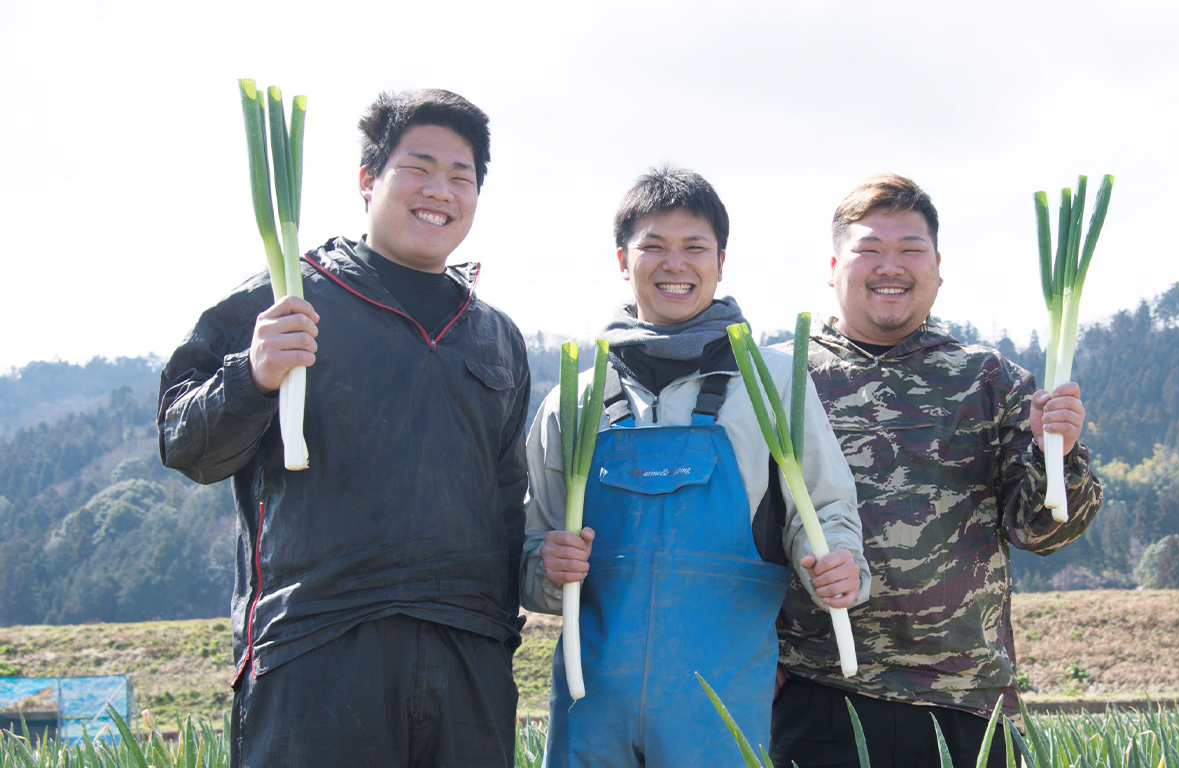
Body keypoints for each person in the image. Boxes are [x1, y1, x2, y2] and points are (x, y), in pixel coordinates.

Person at [158, 89, 530, 768]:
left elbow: (508, 506)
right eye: (417, 168)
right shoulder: (286, 296)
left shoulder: (496, 338)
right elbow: (187, 446)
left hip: (468, 655)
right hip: (317, 645)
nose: (439, 191)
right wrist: (253, 373)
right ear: (368, 180)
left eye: (461, 176)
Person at [521, 166, 871, 767]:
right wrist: (546, 567)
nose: (674, 264)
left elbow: (828, 510)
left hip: (719, 710)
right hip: (589, 707)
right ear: (621, 260)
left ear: (721, 260)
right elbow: (533, 560)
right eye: (653, 246)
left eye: (694, 248)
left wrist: (840, 568)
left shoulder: (771, 386)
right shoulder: (574, 400)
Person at [770, 174, 1104, 768]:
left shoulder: (987, 379)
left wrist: (1061, 453)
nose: (890, 266)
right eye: (869, 249)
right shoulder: (783, 381)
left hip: (965, 701)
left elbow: (1044, 531)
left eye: (910, 250)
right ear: (833, 265)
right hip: (819, 694)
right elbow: (740, 531)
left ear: (938, 267)